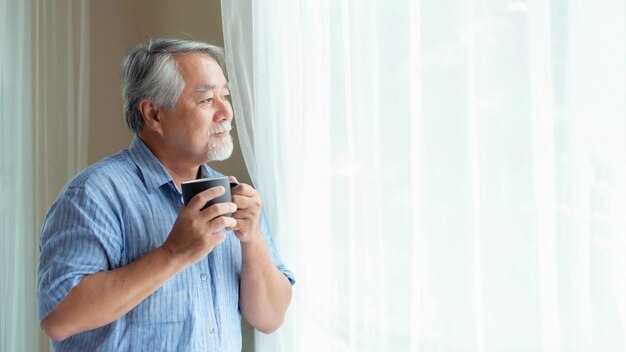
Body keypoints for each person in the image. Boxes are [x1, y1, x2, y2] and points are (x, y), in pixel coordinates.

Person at [36, 38, 295, 351]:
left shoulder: (234, 197)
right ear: (153, 114)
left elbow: (270, 318)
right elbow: (60, 318)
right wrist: (173, 253)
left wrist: (252, 240)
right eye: (206, 100)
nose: (226, 112)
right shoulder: (92, 195)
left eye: (224, 96)